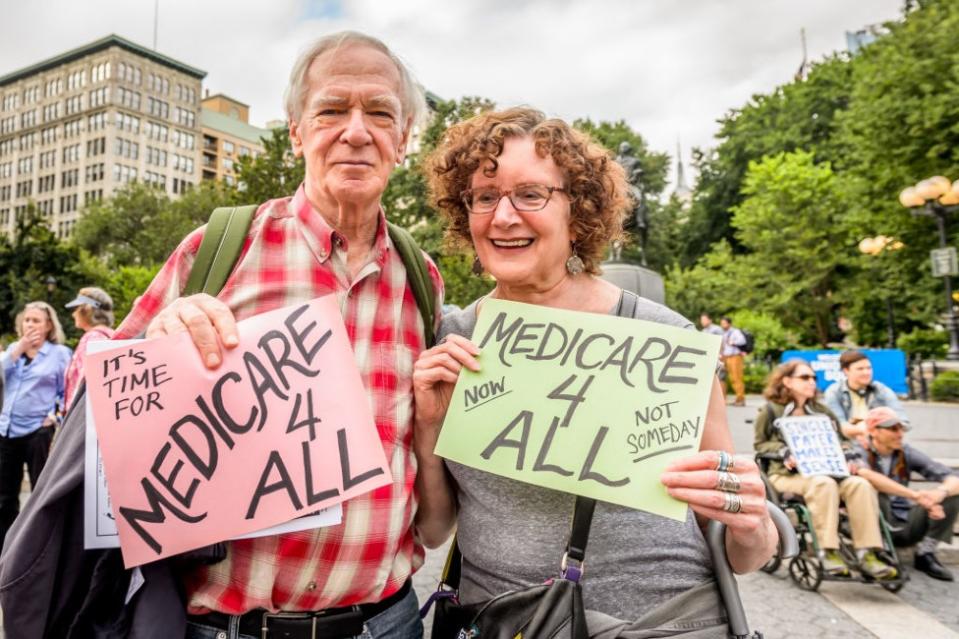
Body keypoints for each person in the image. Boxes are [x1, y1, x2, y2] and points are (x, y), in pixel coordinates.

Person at [0, 31, 441, 639]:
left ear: (404, 137)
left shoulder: (423, 279)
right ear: (295, 131)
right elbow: (89, 374)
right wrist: (157, 336)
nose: (357, 131)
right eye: (332, 109)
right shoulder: (220, 249)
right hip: (231, 628)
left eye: (380, 112)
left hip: (386, 622)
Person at [412, 107, 777, 633]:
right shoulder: (451, 341)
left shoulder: (666, 339)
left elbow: (744, 554)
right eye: (485, 197)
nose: (503, 216)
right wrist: (428, 428)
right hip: (504, 624)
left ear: (578, 211)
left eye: (530, 195)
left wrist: (751, 521)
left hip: (665, 624)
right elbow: (433, 529)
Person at [754, 359, 896, 579]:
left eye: (813, 378)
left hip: (829, 471)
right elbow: (760, 444)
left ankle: (868, 552)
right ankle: (827, 551)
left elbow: (842, 441)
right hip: (785, 475)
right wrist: (784, 451)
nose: (811, 382)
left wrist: (848, 454)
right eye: (804, 377)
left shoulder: (822, 412)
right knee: (823, 484)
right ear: (787, 381)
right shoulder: (772, 410)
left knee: (860, 485)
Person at [856, 406, 959, 581]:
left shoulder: (906, 452)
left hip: (904, 520)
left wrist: (939, 494)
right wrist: (915, 495)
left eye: (901, 429)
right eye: (892, 429)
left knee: (952, 495)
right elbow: (867, 475)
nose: (900, 434)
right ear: (873, 431)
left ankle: (925, 553)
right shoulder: (859, 451)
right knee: (874, 491)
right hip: (870, 526)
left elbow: (952, 477)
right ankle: (880, 552)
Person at [0, 301, 72, 548]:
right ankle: (6, 548)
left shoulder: (60, 354)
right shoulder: (13, 351)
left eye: (36, 320)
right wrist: (17, 350)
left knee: (40, 491)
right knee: (4, 496)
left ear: (48, 325)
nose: (30, 324)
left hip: (37, 432)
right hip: (6, 429)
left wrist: (54, 417)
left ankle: (36, 546)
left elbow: (67, 391)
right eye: (27, 320)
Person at [823, 350, 908, 441]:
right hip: (848, 445)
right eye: (860, 369)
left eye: (869, 368)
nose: (866, 372)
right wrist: (861, 429)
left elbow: (903, 422)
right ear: (846, 371)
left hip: (879, 443)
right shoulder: (834, 392)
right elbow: (837, 425)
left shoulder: (881, 390)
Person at [62, 287, 115, 410]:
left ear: (86, 310)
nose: (73, 314)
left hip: (83, 416)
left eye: (76, 309)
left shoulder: (92, 338)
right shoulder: (110, 335)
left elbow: (83, 385)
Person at [719, 316, 746, 406]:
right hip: (727, 357)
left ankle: (740, 399)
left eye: (724, 323)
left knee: (737, 377)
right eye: (721, 323)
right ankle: (737, 398)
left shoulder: (735, 332)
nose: (722, 325)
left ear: (729, 323)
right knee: (732, 379)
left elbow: (742, 341)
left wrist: (733, 342)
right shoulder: (724, 333)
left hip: (735, 356)